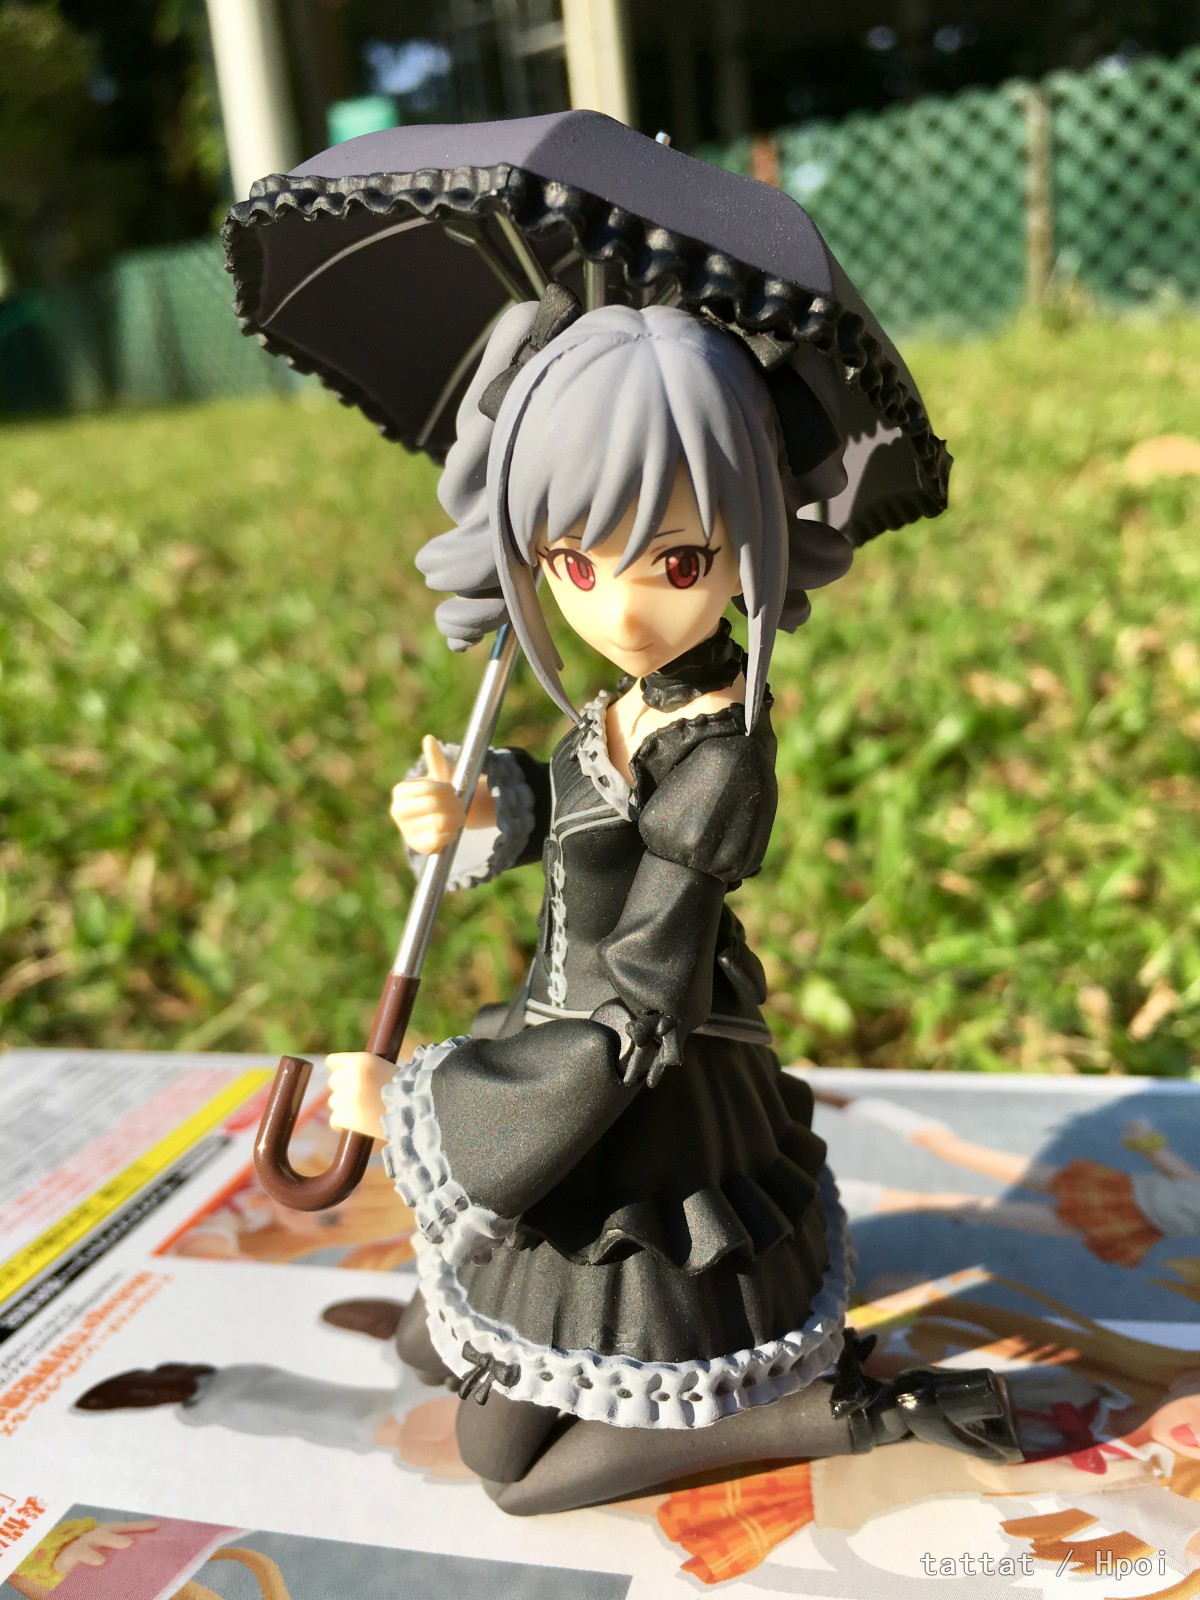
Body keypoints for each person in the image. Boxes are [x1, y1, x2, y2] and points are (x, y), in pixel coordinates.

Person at [324, 294, 1020, 1514]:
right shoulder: (628, 704)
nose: (624, 610)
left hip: (632, 1091)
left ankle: (841, 1412)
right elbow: (581, 807)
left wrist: (422, 1107)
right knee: (434, 1338)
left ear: (752, 541)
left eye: (679, 562)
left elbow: (640, 1004)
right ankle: (513, 1313)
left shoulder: (721, 756)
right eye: (573, 563)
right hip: (561, 1045)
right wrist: (484, 806)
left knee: (508, 1472)